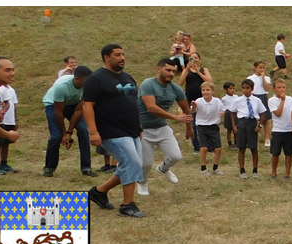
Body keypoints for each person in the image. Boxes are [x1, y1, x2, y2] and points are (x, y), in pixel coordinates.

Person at [83, 45, 145, 217]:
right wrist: (93, 132)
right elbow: (87, 105)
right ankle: (128, 206)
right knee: (131, 164)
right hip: (111, 131)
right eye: (117, 55)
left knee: (132, 165)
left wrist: (139, 127)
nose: (122, 57)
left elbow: (133, 104)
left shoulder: (127, 77)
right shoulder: (96, 79)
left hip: (132, 130)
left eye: (123, 54)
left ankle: (99, 192)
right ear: (106, 57)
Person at [136, 57, 192, 196]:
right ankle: (142, 183)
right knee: (146, 163)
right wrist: (174, 117)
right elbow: (151, 108)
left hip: (162, 127)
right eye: (168, 70)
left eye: (174, 71)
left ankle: (163, 169)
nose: (171, 74)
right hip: (143, 129)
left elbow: (186, 110)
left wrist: (189, 127)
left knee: (175, 156)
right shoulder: (148, 84)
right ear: (159, 69)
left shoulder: (176, 89)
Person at [41, 66, 95, 177]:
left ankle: (86, 167)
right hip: (53, 105)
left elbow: (79, 110)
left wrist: (70, 132)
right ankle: (49, 168)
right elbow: (58, 112)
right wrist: (64, 133)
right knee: (56, 136)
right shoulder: (61, 86)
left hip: (73, 105)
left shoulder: (89, 87)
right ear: (77, 79)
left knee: (83, 130)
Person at [175, 52, 211, 152]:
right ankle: (196, 145)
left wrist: (198, 72)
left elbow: (209, 81)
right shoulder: (186, 71)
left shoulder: (204, 70)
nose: (194, 59)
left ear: (199, 59)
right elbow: (180, 82)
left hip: (203, 99)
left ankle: (208, 144)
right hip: (190, 99)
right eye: (191, 58)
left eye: (195, 58)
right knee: (193, 122)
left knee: (205, 121)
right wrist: (187, 69)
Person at [234, 79, 266, 179]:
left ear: (252, 89)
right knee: (241, 147)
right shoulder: (238, 100)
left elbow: (262, 113)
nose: (245, 90)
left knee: (253, 148)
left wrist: (260, 125)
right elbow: (232, 112)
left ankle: (255, 170)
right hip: (242, 123)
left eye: (247, 88)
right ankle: (242, 170)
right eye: (243, 88)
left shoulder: (256, 100)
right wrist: (234, 125)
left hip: (252, 123)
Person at [193, 82, 225, 175]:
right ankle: (203, 168)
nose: (205, 92)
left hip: (213, 127)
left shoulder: (217, 101)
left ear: (212, 91)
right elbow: (192, 110)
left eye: (207, 90)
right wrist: (193, 107)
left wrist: (222, 112)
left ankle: (215, 167)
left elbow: (223, 109)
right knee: (204, 148)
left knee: (218, 148)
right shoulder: (198, 101)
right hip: (201, 126)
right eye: (203, 90)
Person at [267, 78, 292, 181]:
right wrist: (282, 101)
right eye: (279, 87)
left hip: (289, 130)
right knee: (275, 153)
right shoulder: (271, 100)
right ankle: (274, 173)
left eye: (283, 87)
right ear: (274, 89)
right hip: (278, 130)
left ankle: (287, 173)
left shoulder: (291, 99)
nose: (282, 90)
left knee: (289, 153)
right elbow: (278, 113)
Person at [0, 82, 18, 175]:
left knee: (6, 143)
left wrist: (15, 119)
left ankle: (4, 163)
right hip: (0, 120)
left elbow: (12, 104)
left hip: (9, 120)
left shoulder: (10, 89)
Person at [245, 61, 273, 147]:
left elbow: (267, 88)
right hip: (253, 97)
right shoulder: (250, 78)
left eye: (263, 68)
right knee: (252, 118)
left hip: (263, 97)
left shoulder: (267, 78)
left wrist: (263, 78)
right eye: (260, 67)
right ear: (255, 68)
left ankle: (267, 138)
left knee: (265, 119)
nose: (262, 69)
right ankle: (250, 138)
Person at [220, 82, 239, 148]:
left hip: (236, 113)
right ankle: (230, 143)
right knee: (229, 129)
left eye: (233, 88)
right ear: (226, 90)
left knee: (236, 129)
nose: (232, 90)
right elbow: (222, 106)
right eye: (230, 88)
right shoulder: (224, 98)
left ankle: (236, 142)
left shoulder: (236, 97)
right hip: (228, 113)